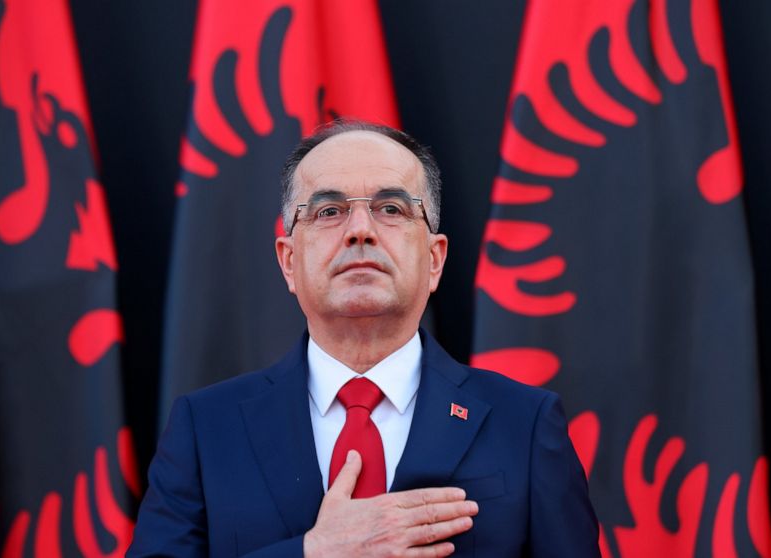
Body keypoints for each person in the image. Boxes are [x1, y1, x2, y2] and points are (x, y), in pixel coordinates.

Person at [128, 121, 599, 557]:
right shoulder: (207, 428)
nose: (360, 231)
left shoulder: (525, 424)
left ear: (434, 259)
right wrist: (313, 552)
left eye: (390, 208)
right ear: (288, 261)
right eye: (329, 210)